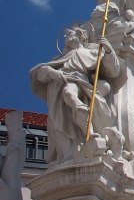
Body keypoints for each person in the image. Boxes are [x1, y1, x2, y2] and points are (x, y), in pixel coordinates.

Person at [30, 26, 126, 165]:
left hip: (80, 82)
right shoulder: (61, 58)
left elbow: (113, 71)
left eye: (69, 34)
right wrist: (52, 72)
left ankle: (89, 130)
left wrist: (109, 50)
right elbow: (39, 72)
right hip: (61, 84)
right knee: (67, 100)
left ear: (81, 35)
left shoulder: (92, 52)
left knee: (69, 93)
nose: (66, 38)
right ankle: (80, 136)